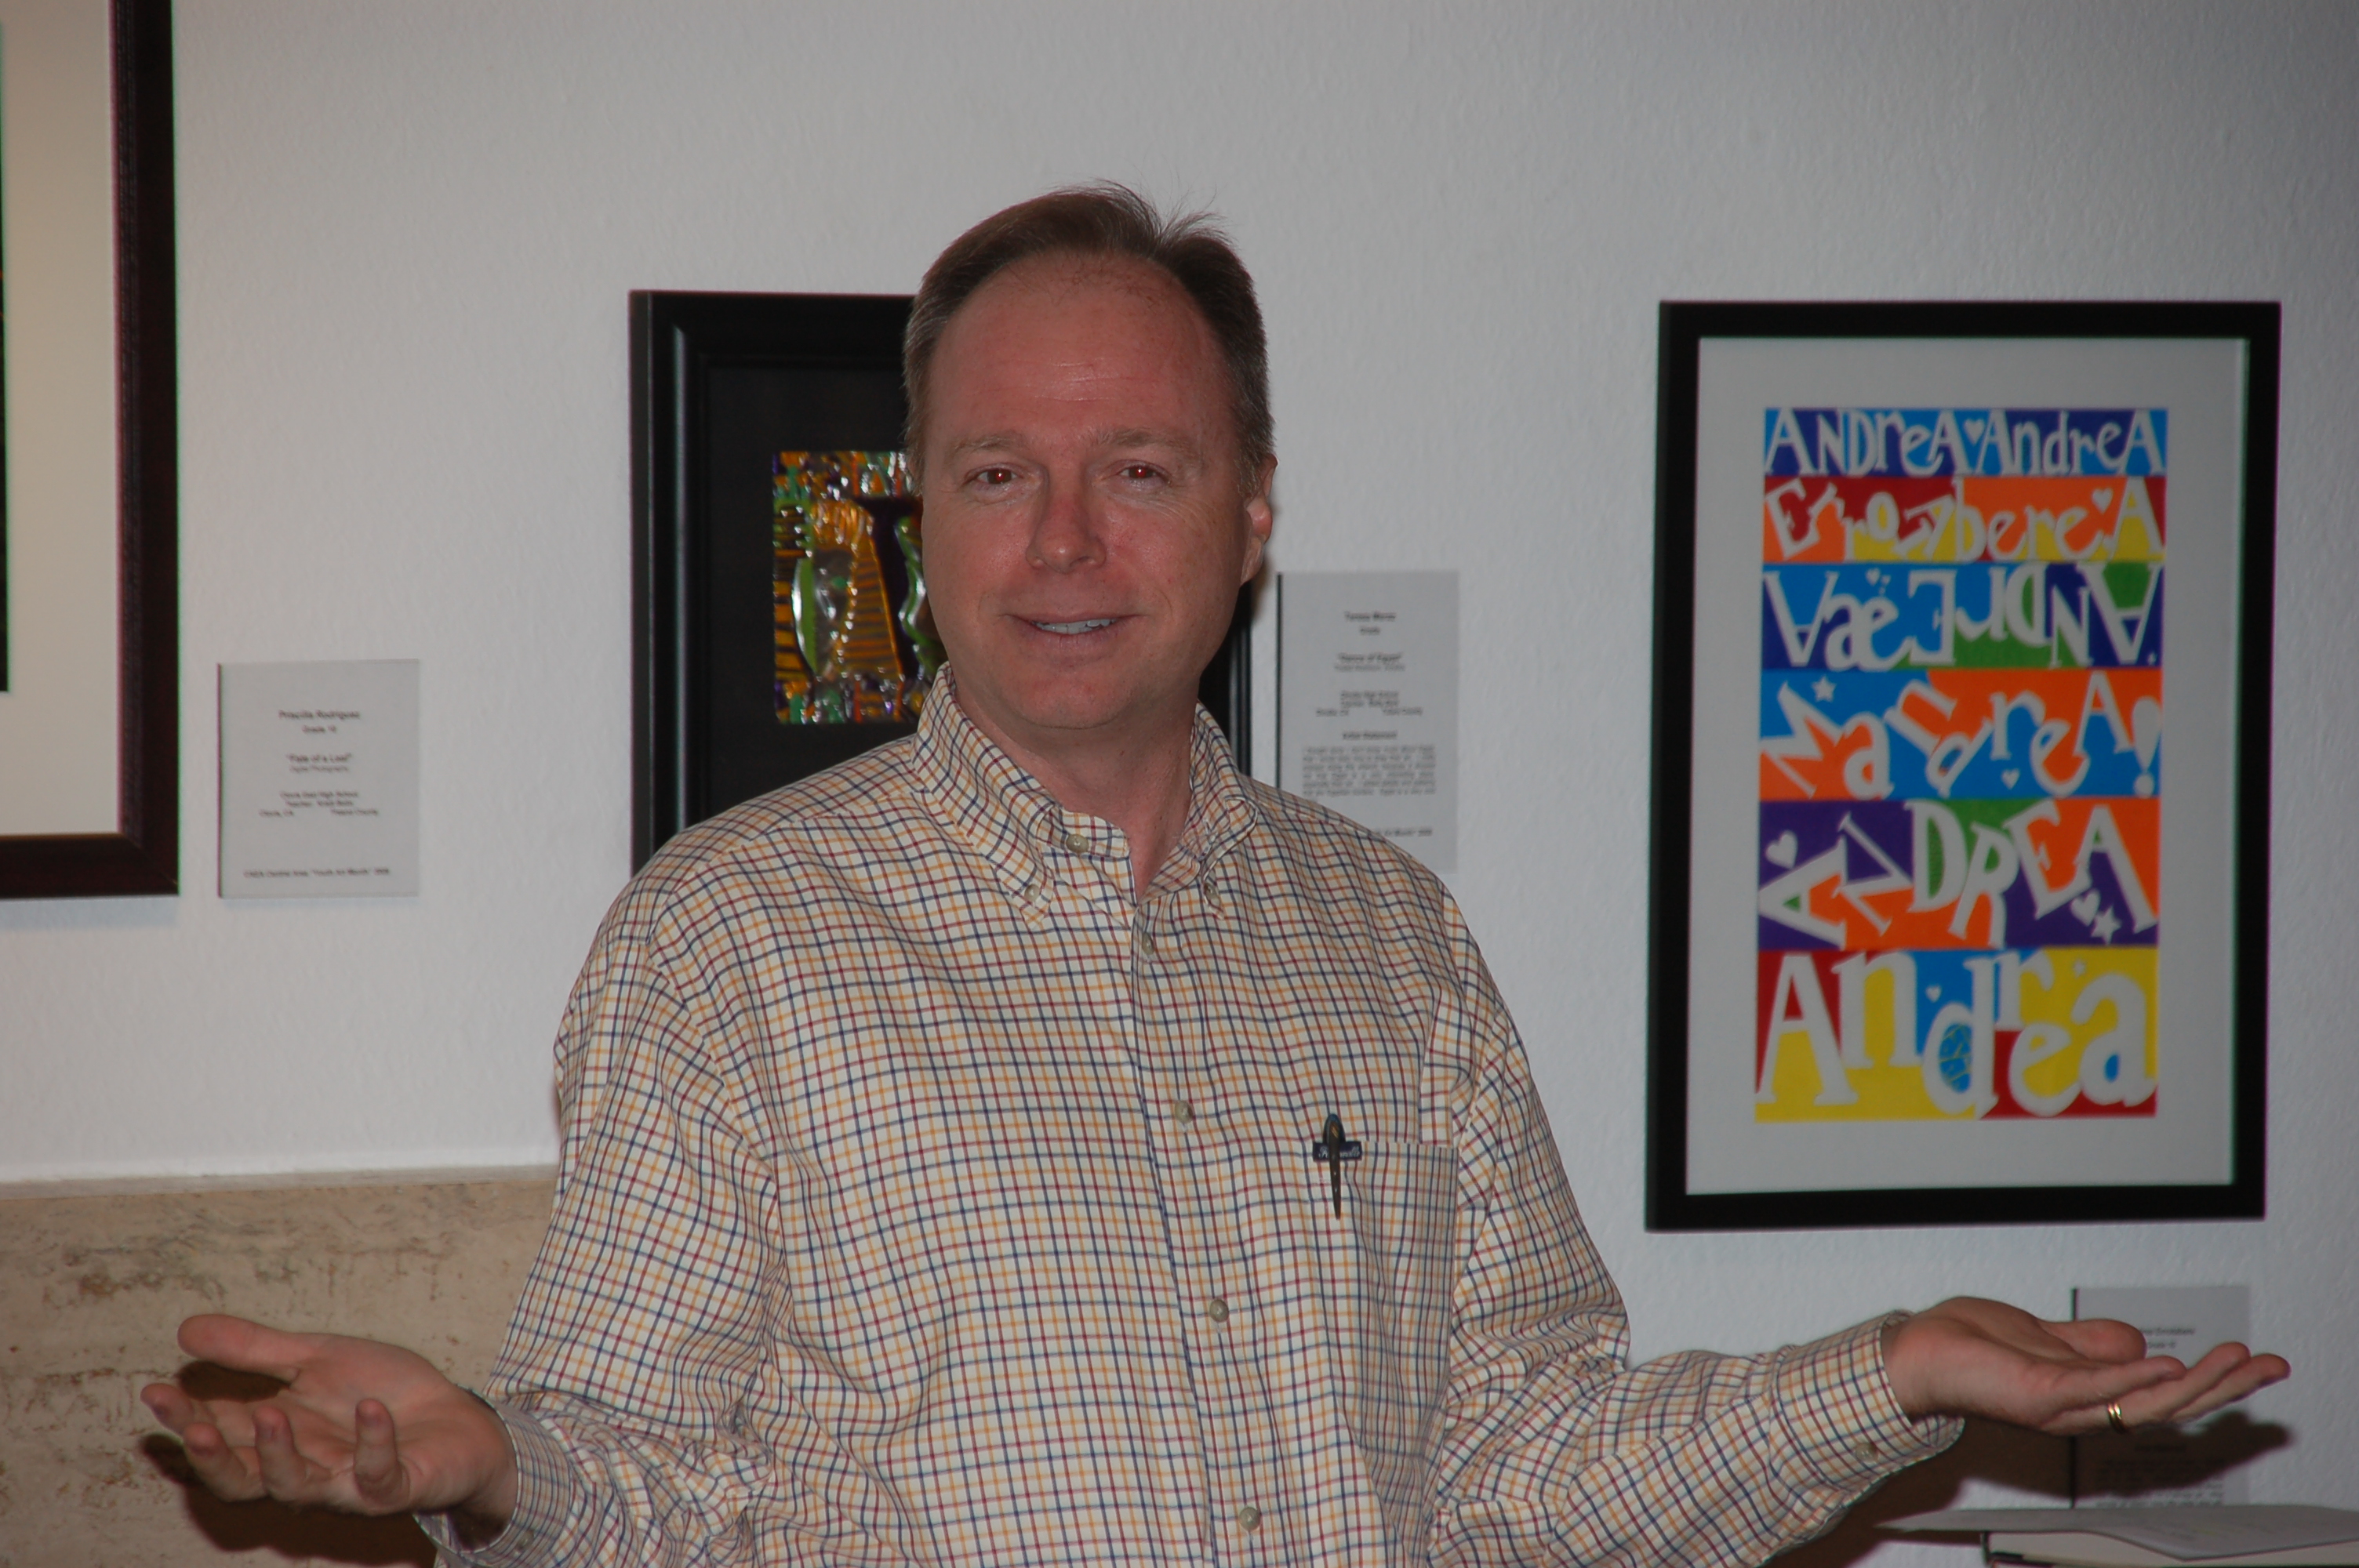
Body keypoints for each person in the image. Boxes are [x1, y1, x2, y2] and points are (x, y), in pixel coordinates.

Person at [143, 186, 2287, 1566]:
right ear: (920, 516)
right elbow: (647, 1479)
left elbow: (1527, 1465)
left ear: (1252, 515)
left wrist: (1894, 1371)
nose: (1066, 541)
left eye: (1141, 470)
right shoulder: (727, 938)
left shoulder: (1395, 941)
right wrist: (495, 1465)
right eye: (1000, 473)